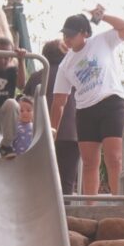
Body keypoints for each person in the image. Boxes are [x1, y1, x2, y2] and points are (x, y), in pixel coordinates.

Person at [50, 6, 124, 197]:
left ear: (85, 33)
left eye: (72, 34)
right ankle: (90, 208)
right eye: (65, 34)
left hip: (111, 103)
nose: (67, 38)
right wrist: (52, 130)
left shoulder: (102, 40)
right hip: (86, 111)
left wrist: (103, 16)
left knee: (114, 158)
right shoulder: (66, 64)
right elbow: (59, 101)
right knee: (89, 163)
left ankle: (118, 203)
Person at [23, 39, 79, 196]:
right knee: (67, 181)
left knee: (41, 178)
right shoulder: (73, 75)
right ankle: (67, 216)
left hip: (43, 133)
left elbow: (25, 101)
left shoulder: (36, 77)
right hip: (72, 133)